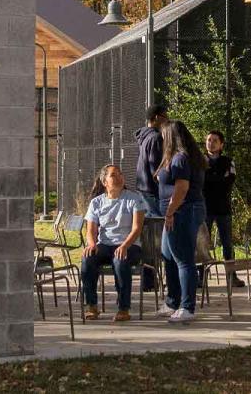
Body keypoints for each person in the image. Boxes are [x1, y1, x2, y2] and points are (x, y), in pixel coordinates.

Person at [155, 120, 208, 324]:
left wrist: (170, 212)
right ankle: (172, 301)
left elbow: (181, 188)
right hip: (182, 210)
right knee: (168, 255)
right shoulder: (188, 157)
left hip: (182, 211)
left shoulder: (180, 159)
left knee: (183, 259)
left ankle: (187, 306)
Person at [81, 164, 147, 322]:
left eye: (120, 174)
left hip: (129, 245)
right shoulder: (96, 203)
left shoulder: (134, 198)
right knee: (88, 259)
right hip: (104, 245)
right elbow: (91, 230)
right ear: (104, 182)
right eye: (113, 175)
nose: (118, 178)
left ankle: (123, 308)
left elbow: (137, 228)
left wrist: (124, 245)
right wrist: (91, 244)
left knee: (120, 260)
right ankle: (91, 306)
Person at [203, 130, 244, 288]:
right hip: (205, 208)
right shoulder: (200, 160)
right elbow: (201, 182)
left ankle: (231, 276)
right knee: (202, 243)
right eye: (208, 140)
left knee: (227, 243)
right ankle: (201, 276)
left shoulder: (228, 161)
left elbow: (229, 182)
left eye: (214, 140)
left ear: (221, 144)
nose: (210, 143)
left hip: (223, 208)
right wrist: (218, 178)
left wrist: (212, 179)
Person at [134, 104, 169, 217]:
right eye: (166, 116)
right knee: (159, 227)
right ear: (157, 117)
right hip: (153, 191)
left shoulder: (144, 136)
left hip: (143, 189)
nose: (167, 120)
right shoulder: (156, 137)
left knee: (149, 227)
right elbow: (156, 167)